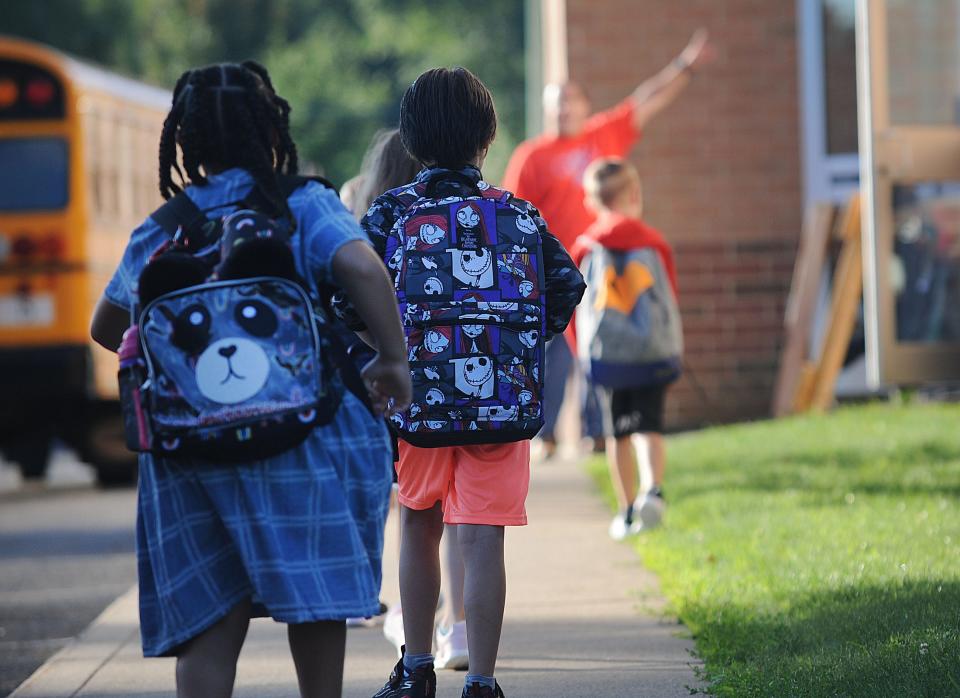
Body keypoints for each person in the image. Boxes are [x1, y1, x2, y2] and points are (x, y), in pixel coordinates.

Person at [89, 61, 412, 698]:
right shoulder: (301, 204)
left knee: (212, 619)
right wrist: (393, 361)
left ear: (186, 146)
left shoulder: (166, 226)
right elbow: (365, 271)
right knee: (315, 599)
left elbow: (106, 323)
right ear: (271, 130)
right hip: (306, 439)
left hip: (191, 451)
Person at [358, 67, 584, 698]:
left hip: (419, 404)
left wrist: (384, 348)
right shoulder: (516, 214)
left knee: (419, 526)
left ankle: (417, 669)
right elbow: (567, 285)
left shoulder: (391, 213)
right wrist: (515, 343)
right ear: (488, 140)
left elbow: (349, 291)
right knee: (483, 536)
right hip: (499, 404)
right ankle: (482, 680)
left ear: (411, 139)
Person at [502, 29, 709, 459]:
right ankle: (548, 435)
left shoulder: (603, 135)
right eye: (556, 101)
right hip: (553, 270)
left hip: (602, 265)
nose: (563, 108)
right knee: (551, 352)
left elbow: (646, 99)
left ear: (584, 105)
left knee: (600, 343)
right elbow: (514, 216)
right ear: (547, 109)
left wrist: (685, 65)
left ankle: (596, 433)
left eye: (570, 99)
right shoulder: (531, 156)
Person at [343, 128, 469, 671]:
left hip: (379, 379)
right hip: (452, 377)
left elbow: (343, 299)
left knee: (411, 506)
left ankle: (404, 618)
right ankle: (457, 624)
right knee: (461, 511)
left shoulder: (367, 211)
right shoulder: (460, 211)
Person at [570, 158, 679, 540]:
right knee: (650, 426)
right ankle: (654, 490)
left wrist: (580, 351)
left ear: (591, 201)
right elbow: (668, 296)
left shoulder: (585, 248)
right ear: (634, 194)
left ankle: (627, 510)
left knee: (618, 432)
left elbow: (573, 308)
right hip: (651, 351)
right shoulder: (654, 242)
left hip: (608, 355)